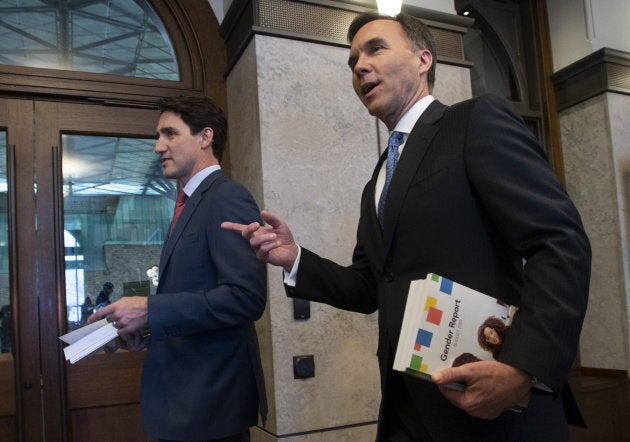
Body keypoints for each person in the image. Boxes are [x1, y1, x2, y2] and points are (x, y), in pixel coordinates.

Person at [222, 11, 591, 441]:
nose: (359, 65)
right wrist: (294, 258)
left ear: (423, 59)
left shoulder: (474, 122)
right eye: (353, 59)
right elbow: (369, 286)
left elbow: (560, 242)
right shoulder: (377, 182)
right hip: (407, 410)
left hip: (493, 410)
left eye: (375, 48)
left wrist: (522, 369)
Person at [89, 95, 267, 442]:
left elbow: (246, 297)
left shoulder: (226, 196)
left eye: (170, 134)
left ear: (205, 137)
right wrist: (141, 328)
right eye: (159, 136)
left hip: (209, 406)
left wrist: (150, 309)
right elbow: (193, 300)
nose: (158, 147)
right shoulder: (187, 204)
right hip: (185, 405)